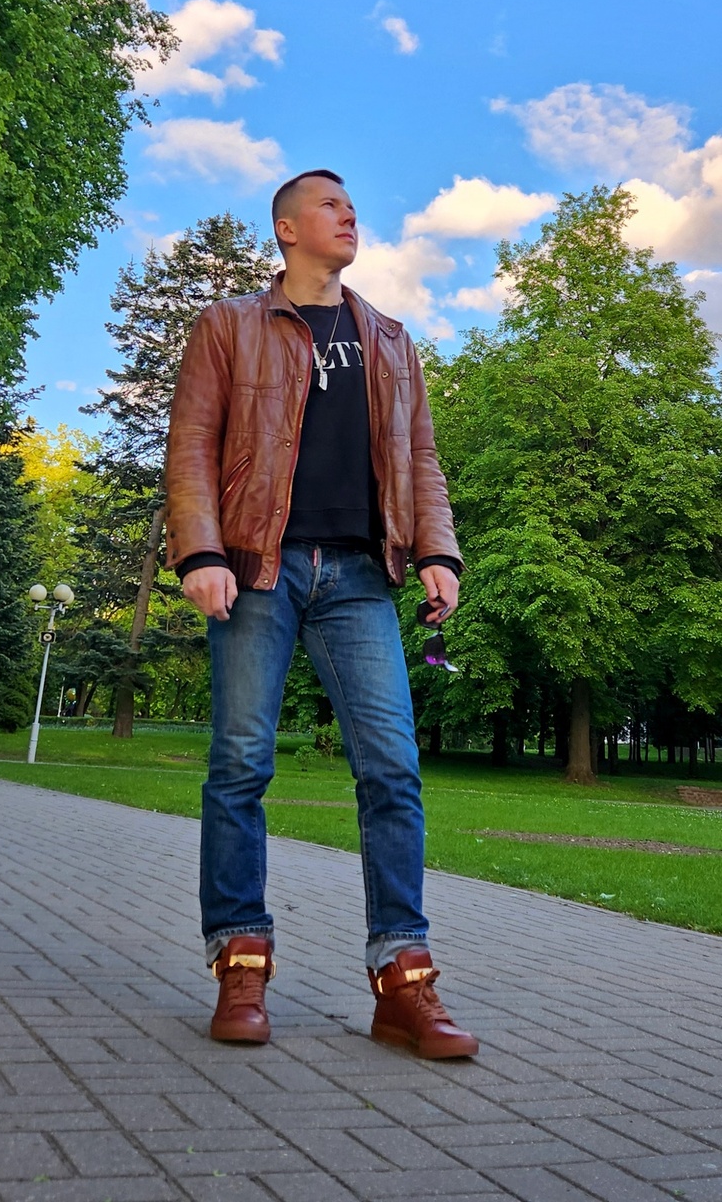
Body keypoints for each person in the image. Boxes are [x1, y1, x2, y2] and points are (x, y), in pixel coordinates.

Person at [165, 170, 479, 1060]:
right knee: (239, 765)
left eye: (354, 206)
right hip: (256, 570)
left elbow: (421, 457)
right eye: (331, 205)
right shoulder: (229, 325)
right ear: (287, 229)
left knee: (393, 769)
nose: (350, 214)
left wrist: (438, 551)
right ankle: (241, 962)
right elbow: (192, 442)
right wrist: (201, 553)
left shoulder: (390, 339)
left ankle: (403, 980)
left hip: (360, 577)